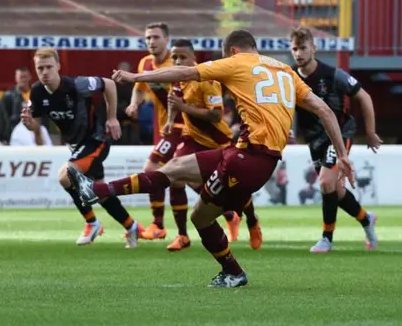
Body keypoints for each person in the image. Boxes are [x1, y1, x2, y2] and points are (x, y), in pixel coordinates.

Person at [68, 30, 354, 287]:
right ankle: (96, 190)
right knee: (175, 169)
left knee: (199, 214)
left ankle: (233, 270)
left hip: (250, 159)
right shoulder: (285, 71)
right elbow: (326, 111)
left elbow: (184, 73)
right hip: (244, 152)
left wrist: (136, 78)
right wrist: (342, 155)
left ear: (231, 51)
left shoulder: (236, 62)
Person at [21, 47, 144, 248]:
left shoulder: (77, 85)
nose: (45, 72)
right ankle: (131, 227)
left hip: (96, 140)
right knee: (100, 192)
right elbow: (36, 124)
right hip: (76, 146)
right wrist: (29, 124)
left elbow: (109, 84)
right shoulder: (36, 92)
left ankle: (92, 223)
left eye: (49, 67)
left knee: (65, 175)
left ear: (58, 66)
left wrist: (112, 118)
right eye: (40, 68)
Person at [162, 38, 262, 252]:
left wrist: (184, 108)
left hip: (218, 141)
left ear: (194, 59)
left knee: (236, 186)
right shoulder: (176, 80)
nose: (178, 61)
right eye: (174, 58)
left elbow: (216, 116)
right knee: (175, 177)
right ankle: (182, 235)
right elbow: (174, 101)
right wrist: (170, 121)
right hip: (192, 138)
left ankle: (251, 221)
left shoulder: (207, 81)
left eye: (182, 57)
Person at [289, 26, 380, 252]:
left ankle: (326, 238)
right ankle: (366, 218)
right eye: (294, 49)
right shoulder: (289, 77)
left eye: (303, 48)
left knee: (325, 182)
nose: (298, 53)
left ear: (314, 48)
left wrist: (370, 133)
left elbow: (364, 97)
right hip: (315, 141)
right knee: (335, 189)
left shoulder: (333, 74)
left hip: (340, 134)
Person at [125, 22, 178, 241]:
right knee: (186, 178)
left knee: (151, 168)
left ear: (167, 40)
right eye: (148, 38)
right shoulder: (145, 63)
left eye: (156, 37)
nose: (151, 42)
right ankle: (231, 214)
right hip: (162, 129)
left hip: (180, 127)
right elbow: (139, 87)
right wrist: (134, 104)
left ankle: (158, 225)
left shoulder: (176, 62)